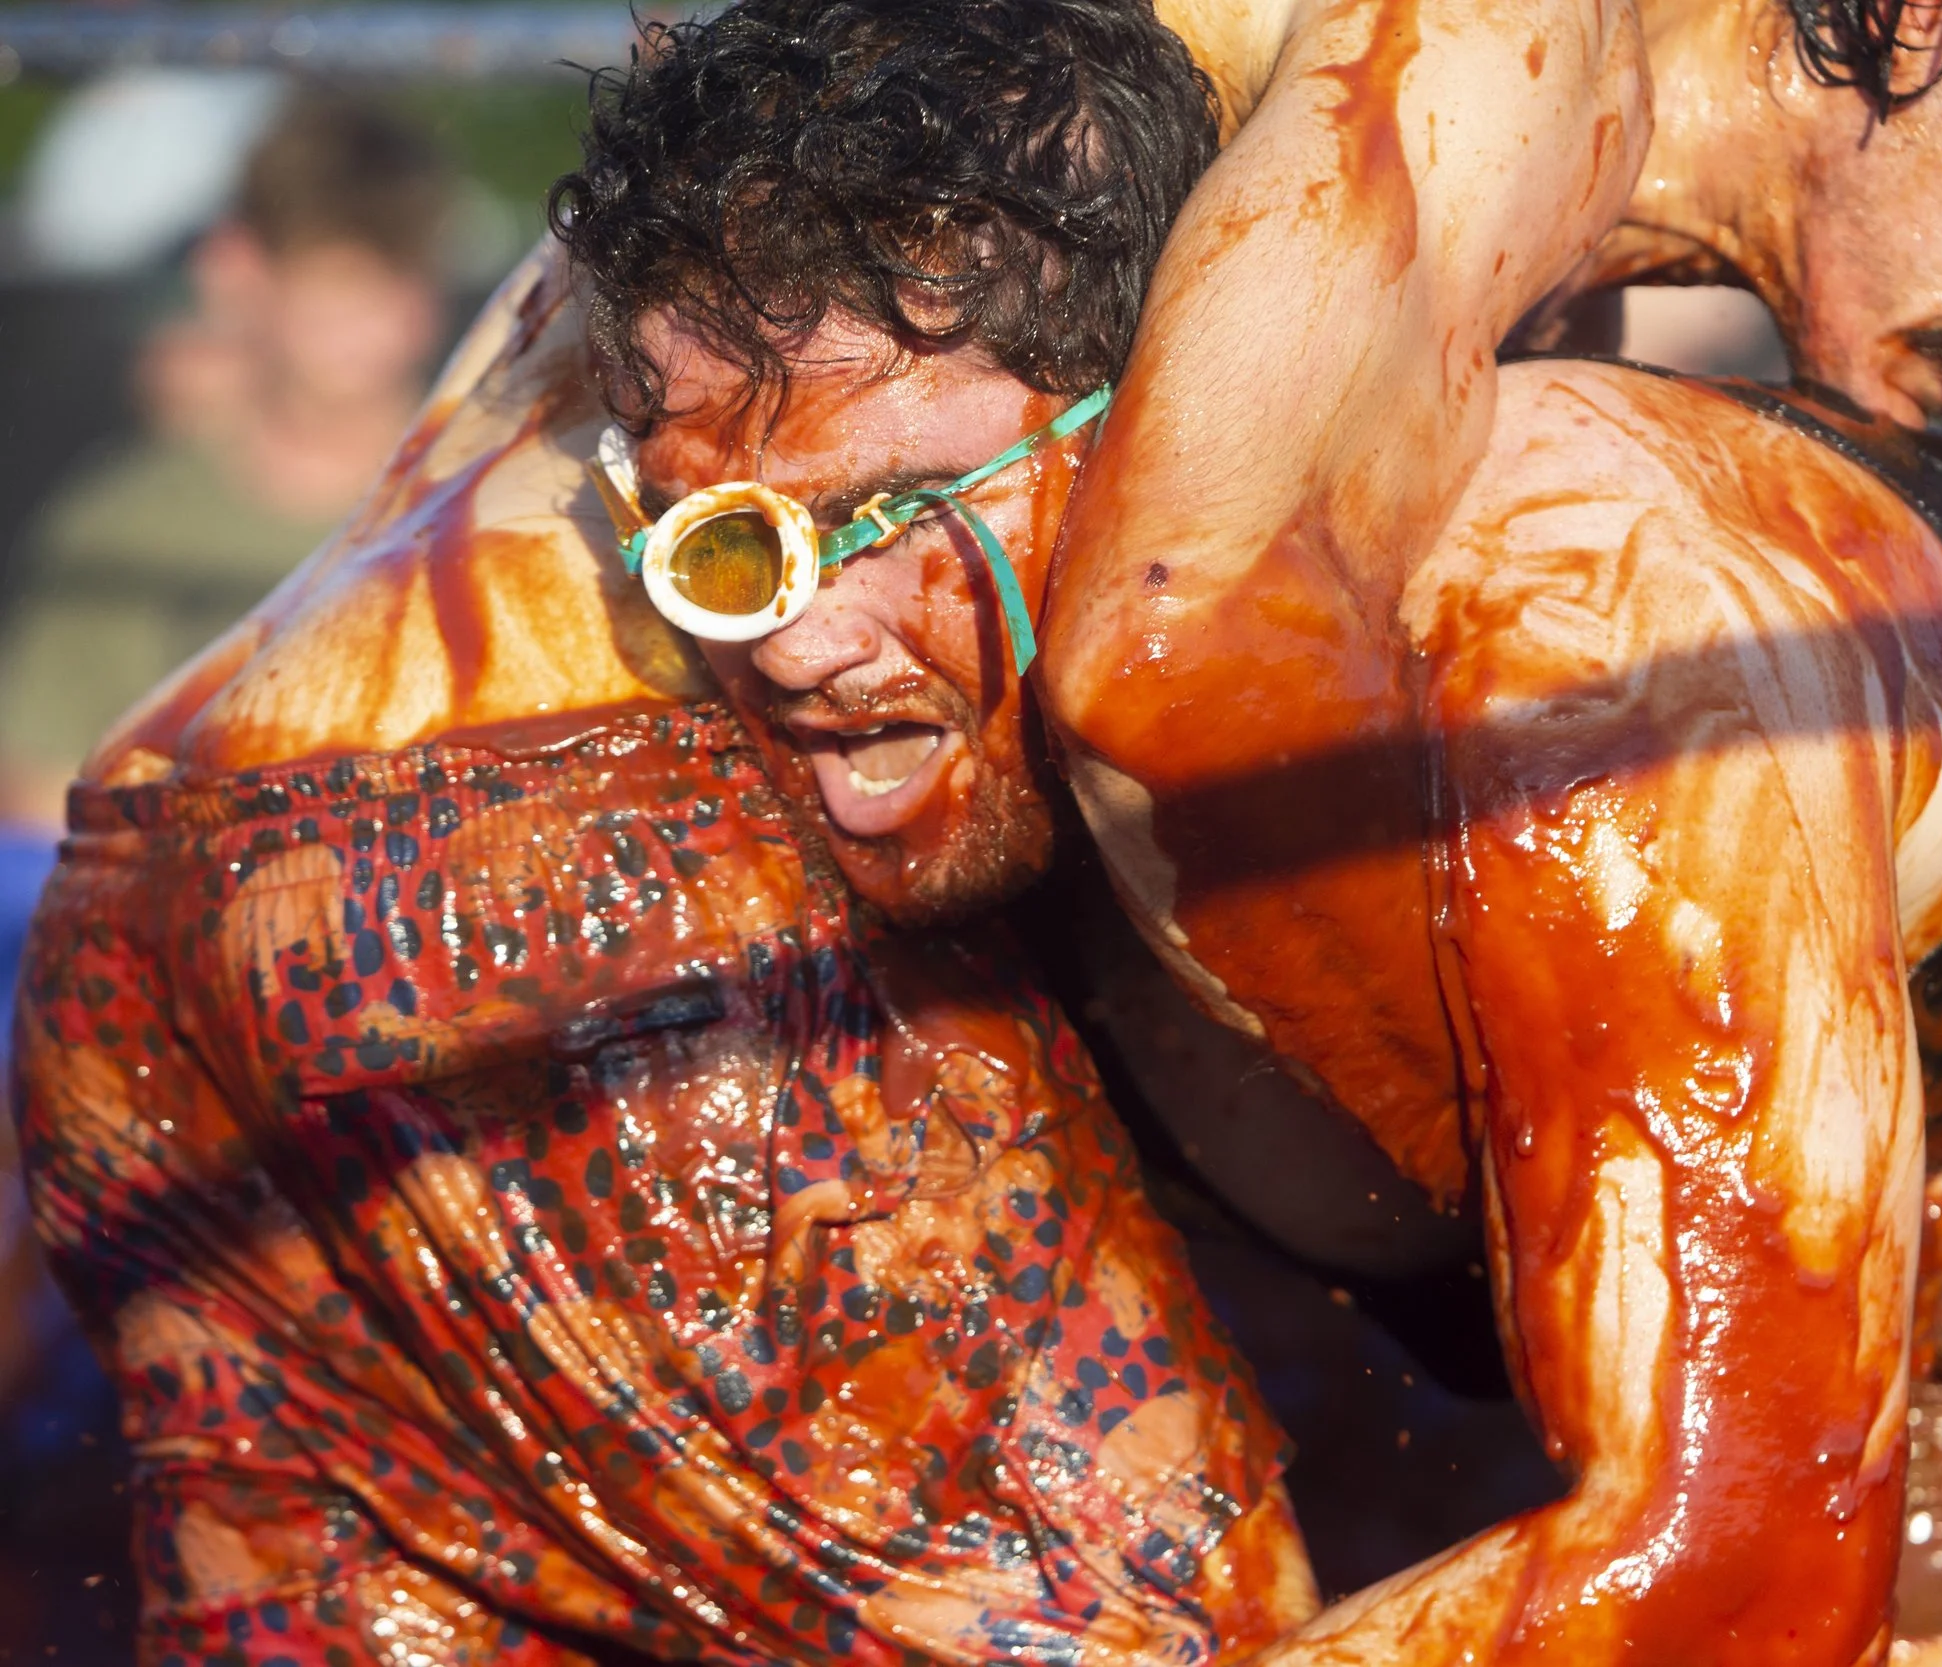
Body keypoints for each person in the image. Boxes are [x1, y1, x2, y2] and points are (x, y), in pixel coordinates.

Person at [1039, 0, 1942, 1662]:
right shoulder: (1504, 48)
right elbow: (1169, 658)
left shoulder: (1557, 240)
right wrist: (1505, 1159)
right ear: (1930, 20)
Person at [9, 7, 1315, 1660]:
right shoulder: (1370, 80)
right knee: (1184, 1634)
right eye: (728, 540)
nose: (802, 643)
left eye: (889, 521)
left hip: (154, 868)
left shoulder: (825, 117)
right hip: (546, 882)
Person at [0, 91, 452, 830]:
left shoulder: (498, 509)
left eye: (389, 279)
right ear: (235, 271)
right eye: (333, 281)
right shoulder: (122, 528)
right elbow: (40, 809)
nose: (370, 321)